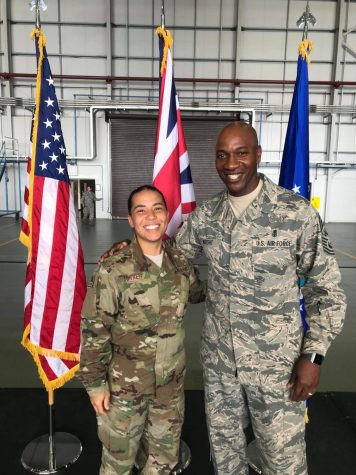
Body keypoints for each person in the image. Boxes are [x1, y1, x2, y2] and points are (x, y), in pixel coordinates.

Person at [101, 122, 347, 475]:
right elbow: (171, 258)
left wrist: (313, 356)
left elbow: (327, 292)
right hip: (220, 368)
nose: (231, 163)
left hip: (277, 368)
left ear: (258, 156)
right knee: (227, 457)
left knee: (284, 461)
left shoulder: (296, 214)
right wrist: (132, 249)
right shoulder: (206, 216)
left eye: (241, 153)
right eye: (222, 155)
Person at [77, 185, 206, 475]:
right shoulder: (114, 269)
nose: (151, 216)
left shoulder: (180, 263)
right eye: (141, 210)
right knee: (117, 464)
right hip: (125, 391)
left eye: (157, 208)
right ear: (131, 220)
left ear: (167, 214)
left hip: (170, 389)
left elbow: (198, 293)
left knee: (163, 463)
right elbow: (95, 330)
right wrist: (95, 385)